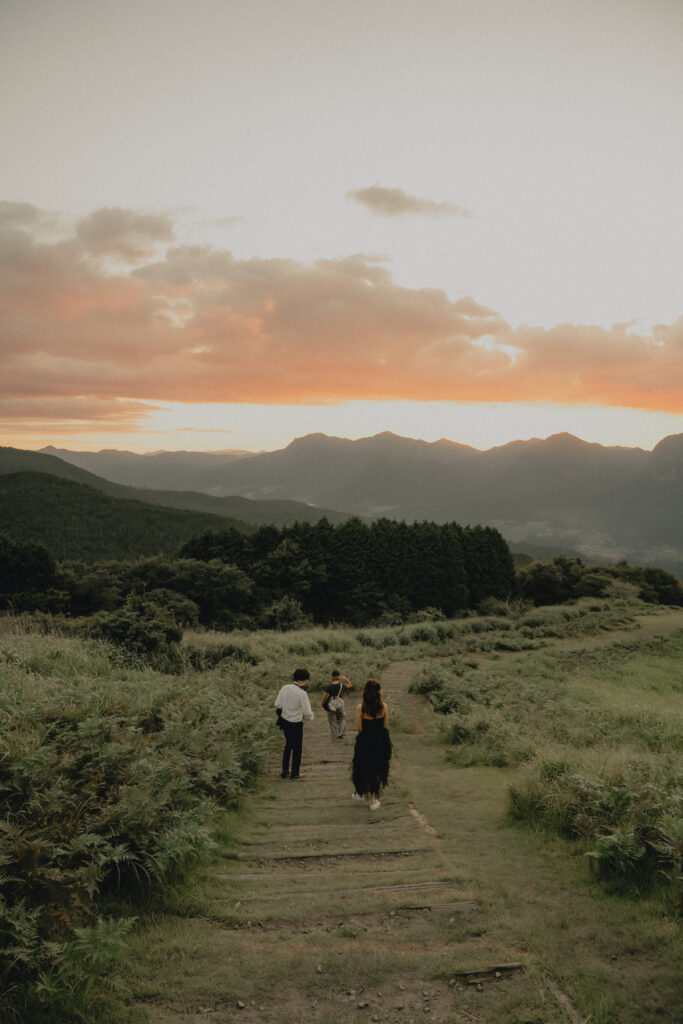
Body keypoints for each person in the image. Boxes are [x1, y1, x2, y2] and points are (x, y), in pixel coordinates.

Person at [351, 678, 392, 811]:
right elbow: (385, 725)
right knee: (379, 769)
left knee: (362, 766)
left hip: (365, 741)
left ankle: (359, 791)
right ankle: (374, 800)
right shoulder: (384, 707)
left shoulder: (360, 708)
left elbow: (359, 728)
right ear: (378, 692)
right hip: (381, 740)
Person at [274, 668, 314, 779]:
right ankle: (295, 773)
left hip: (285, 721)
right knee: (297, 748)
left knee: (288, 746)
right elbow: (307, 712)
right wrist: (311, 717)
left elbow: (277, 704)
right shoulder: (302, 693)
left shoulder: (285, 688)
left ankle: (285, 771)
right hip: (296, 723)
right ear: (305, 680)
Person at [321, 669, 352, 741]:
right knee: (342, 718)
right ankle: (340, 733)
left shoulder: (329, 686)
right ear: (339, 677)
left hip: (331, 704)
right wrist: (346, 678)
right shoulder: (341, 685)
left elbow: (325, 696)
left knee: (332, 721)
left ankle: (334, 738)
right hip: (340, 702)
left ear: (332, 676)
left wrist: (321, 703)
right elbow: (350, 685)